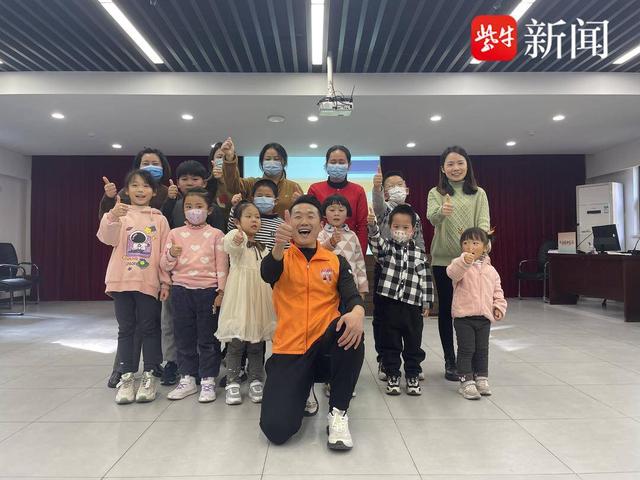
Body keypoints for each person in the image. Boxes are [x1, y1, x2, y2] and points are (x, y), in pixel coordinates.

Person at [259, 195, 365, 451]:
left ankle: (338, 414)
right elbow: (267, 273)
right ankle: (301, 386)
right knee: (276, 430)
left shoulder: (335, 261)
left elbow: (352, 296)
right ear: (289, 223)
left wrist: (358, 313)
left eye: (310, 216)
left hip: (324, 344)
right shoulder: (281, 258)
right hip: (290, 347)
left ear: (321, 224)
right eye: (297, 216)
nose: (304, 221)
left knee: (350, 329)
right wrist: (278, 246)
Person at [97, 169, 170, 404]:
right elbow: (107, 238)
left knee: (150, 328)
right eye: (135, 185)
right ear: (127, 190)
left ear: (154, 192)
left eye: (146, 186)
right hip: (121, 281)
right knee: (126, 329)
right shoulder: (120, 213)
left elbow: (165, 253)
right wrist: (112, 216)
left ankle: (150, 375)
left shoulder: (159, 219)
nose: (140, 190)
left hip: (148, 283)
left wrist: (165, 281)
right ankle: (127, 376)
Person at [426, 146, 490, 381]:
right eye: (450, 164)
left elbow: (483, 225)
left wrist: (479, 250)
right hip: (444, 261)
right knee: (446, 311)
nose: (455, 168)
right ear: (443, 169)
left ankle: (469, 360)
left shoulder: (479, 193)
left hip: (472, 262)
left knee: (470, 312)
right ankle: (450, 361)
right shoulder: (436, 192)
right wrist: (442, 211)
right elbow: (432, 218)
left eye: (460, 163)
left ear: (467, 165)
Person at [161, 187, 228, 403]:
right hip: (181, 291)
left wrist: (221, 291)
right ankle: (187, 378)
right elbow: (164, 265)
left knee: (208, 338)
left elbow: (222, 266)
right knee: (184, 337)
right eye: (189, 206)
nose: (194, 210)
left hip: (208, 292)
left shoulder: (217, 235)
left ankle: (207, 380)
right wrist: (171, 255)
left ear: (209, 210)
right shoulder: (174, 234)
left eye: (199, 206)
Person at [368, 204, 433, 396]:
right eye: (396, 227)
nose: (401, 231)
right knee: (391, 342)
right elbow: (376, 243)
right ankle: (393, 374)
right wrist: (372, 227)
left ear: (413, 230)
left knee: (413, 343)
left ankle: (412, 374)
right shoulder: (387, 249)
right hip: (390, 305)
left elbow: (426, 278)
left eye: (405, 227)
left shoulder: (419, 254)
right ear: (390, 227)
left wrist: (427, 302)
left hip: (412, 306)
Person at [216, 201, 276, 405]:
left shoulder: (264, 247)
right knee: (236, 343)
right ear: (237, 222)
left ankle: (256, 379)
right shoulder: (237, 238)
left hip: (259, 300)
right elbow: (229, 245)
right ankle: (232, 381)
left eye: (257, 217)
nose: (254, 220)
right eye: (249, 216)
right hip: (239, 299)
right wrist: (237, 238)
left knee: (257, 343)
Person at [371, 166, 426, 382]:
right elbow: (377, 204)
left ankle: (413, 364)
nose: (396, 188)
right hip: (386, 270)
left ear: (407, 189)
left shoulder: (415, 216)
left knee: (411, 321)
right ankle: (385, 360)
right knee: (383, 318)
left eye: (399, 184)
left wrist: (419, 265)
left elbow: (420, 242)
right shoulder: (384, 210)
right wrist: (376, 188)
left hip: (410, 271)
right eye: (390, 186)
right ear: (385, 192)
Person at [446, 227, 507, 399]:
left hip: (484, 318)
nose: (469, 246)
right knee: (466, 349)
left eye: (475, 243)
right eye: (465, 243)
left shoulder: (491, 271)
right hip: (464, 317)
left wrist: (498, 307)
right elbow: (452, 273)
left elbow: (498, 292)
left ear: (485, 247)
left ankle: (481, 378)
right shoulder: (460, 264)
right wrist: (464, 262)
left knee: (482, 350)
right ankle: (466, 381)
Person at [307, 145, 369, 254]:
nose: (337, 165)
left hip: (349, 249)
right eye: (333, 162)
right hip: (321, 247)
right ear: (326, 165)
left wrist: (360, 253)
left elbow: (362, 225)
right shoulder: (315, 189)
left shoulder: (358, 190)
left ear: (349, 165)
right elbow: (310, 222)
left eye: (341, 162)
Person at [222, 138, 303, 218]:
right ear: (262, 162)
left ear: (284, 162)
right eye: (267, 159)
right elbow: (233, 184)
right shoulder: (252, 183)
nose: (272, 162)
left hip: (284, 226)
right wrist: (229, 158)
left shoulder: (293, 187)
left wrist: (300, 203)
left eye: (276, 159)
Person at [227, 179, 285, 250]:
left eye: (268, 196)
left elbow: (285, 249)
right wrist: (236, 207)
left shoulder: (281, 225)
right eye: (259, 196)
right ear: (253, 199)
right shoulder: (245, 218)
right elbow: (231, 230)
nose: (263, 199)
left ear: (276, 201)